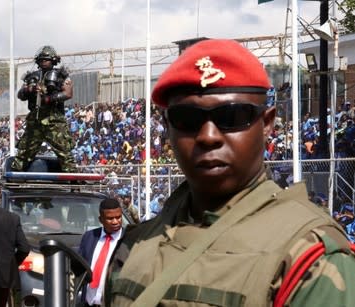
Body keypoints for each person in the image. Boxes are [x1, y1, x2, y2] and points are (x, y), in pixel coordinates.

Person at [104, 39, 355, 306]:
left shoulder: (307, 258)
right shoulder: (136, 245)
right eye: (188, 119)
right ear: (167, 127)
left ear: (267, 124)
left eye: (232, 117)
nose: (208, 136)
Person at [11, 45, 76, 172]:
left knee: (64, 153)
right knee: (24, 152)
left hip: (54, 121)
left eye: (46, 59)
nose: (44, 62)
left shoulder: (61, 75)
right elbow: (20, 95)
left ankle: (73, 179)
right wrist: (29, 89)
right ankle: (15, 177)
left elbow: (68, 93)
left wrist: (49, 98)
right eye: (41, 60)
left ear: (53, 61)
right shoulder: (32, 76)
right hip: (35, 120)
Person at [78, 198, 123, 307]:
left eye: (118, 217)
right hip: (88, 303)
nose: (115, 222)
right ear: (100, 219)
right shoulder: (89, 237)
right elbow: (79, 268)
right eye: (110, 218)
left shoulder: (129, 239)